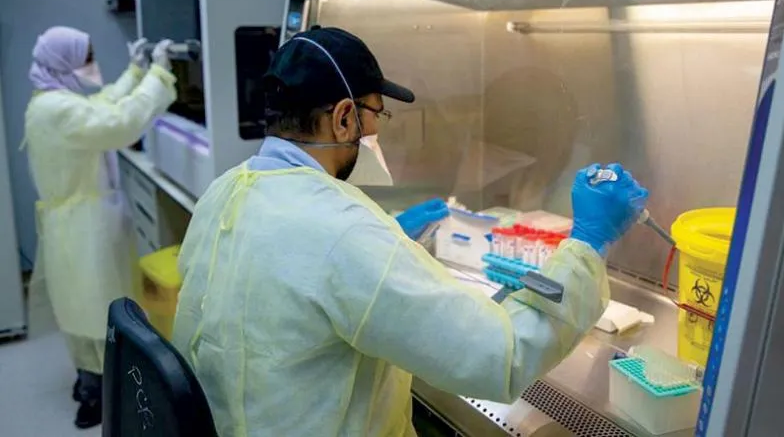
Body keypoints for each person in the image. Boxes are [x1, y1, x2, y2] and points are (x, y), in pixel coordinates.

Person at [172, 26, 648, 437]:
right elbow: (500, 356)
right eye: (375, 115)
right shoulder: (343, 230)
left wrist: (388, 239)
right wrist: (588, 243)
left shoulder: (223, 191)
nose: (375, 133)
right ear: (344, 118)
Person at [24, 26, 177, 429]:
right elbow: (118, 122)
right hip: (84, 227)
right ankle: (97, 393)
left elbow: (100, 106)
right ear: (63, 61)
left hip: (78, 221)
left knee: (84, 304)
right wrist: (159, 75)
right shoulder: (56, 109)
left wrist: (135, 72)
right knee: (93, 307)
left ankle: (92, 381)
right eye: (85, 58)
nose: (90, 65)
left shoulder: (50, 98)